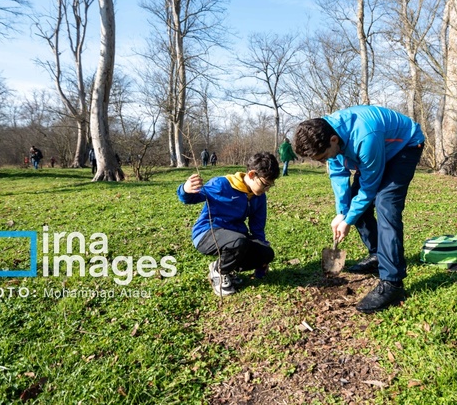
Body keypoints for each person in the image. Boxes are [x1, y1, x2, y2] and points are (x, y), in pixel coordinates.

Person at [293, 105, 425, 313]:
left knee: (386, 205)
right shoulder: (329, 133)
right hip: (377, 149)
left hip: (404, 146)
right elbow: (338, 175)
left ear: (333, 140)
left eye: (324, 157)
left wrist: (348, 221)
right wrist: (342, 213)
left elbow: (369, 188)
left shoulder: (365, 135)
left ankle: (393, 283)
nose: (324, 161)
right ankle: (377, 254)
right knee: (356, 205)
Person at [177, 152, 280, 297]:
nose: (267, 189)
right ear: (251, 175)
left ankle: (227, 267)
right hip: (207, 234)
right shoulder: (222, 184)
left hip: (236, 238)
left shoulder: (259, 197)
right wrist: (185, 190)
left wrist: (260, 260)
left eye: (270, 185)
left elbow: (257, 226)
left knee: (267, 252)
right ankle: (219, 272)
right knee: (239, 242)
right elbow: (191, 198)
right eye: (265, 184)